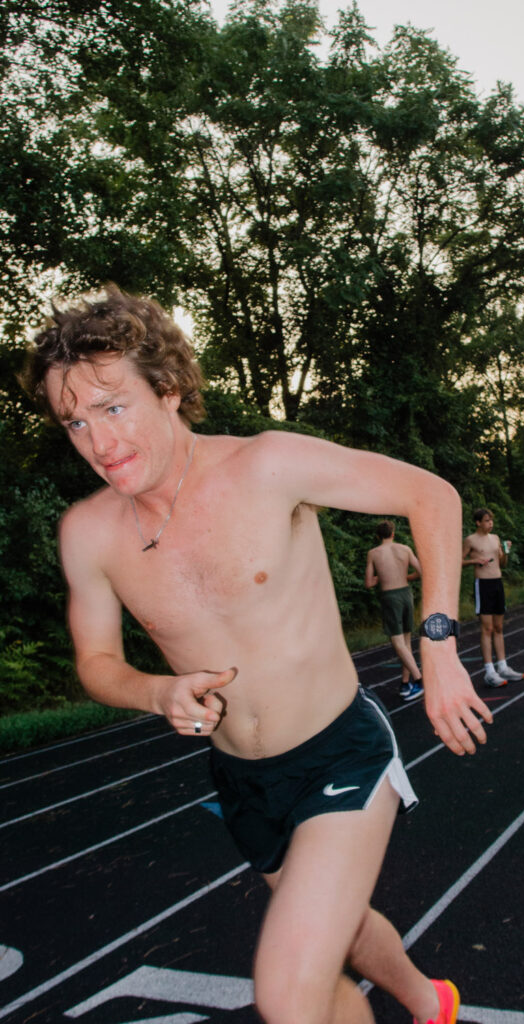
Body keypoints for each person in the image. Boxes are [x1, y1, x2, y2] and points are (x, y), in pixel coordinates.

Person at [24, 286, 486, 1024]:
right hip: (242, 780)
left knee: (288, 991)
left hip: (341, 755)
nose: (98, 443)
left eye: (113, 408)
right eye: (75, 421)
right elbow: (97, 663)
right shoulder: (87, 532)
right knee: (343, 936)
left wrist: (439, 647)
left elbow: (430, 496)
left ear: (168, 390)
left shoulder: (267, 466)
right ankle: (429, 1001)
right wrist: (155, 692)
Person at [461, 507, 524, 687]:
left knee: (498, 627)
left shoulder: (495, 538)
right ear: (478, 522)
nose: (490, 524)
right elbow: (458, 560)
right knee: (486, 628)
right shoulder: (471, 540)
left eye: (491, 521)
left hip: (497, 582)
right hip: (483, 585)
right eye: (487, 521)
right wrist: (474, 561)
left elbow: (502, 563)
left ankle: (503, 667)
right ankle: (489, 671)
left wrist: (505, 551)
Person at [365, 519, 424, 701]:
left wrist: (380, 578)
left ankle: (419, 680)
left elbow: (368, 583)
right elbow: (422, 571)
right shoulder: (405, 549)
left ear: (378, 535)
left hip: (390, 597)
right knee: (406, 642)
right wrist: (407, 577)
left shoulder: (373, 553)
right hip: (406, 594)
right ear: (393, 533)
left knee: (397, 642)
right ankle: (405, 683)